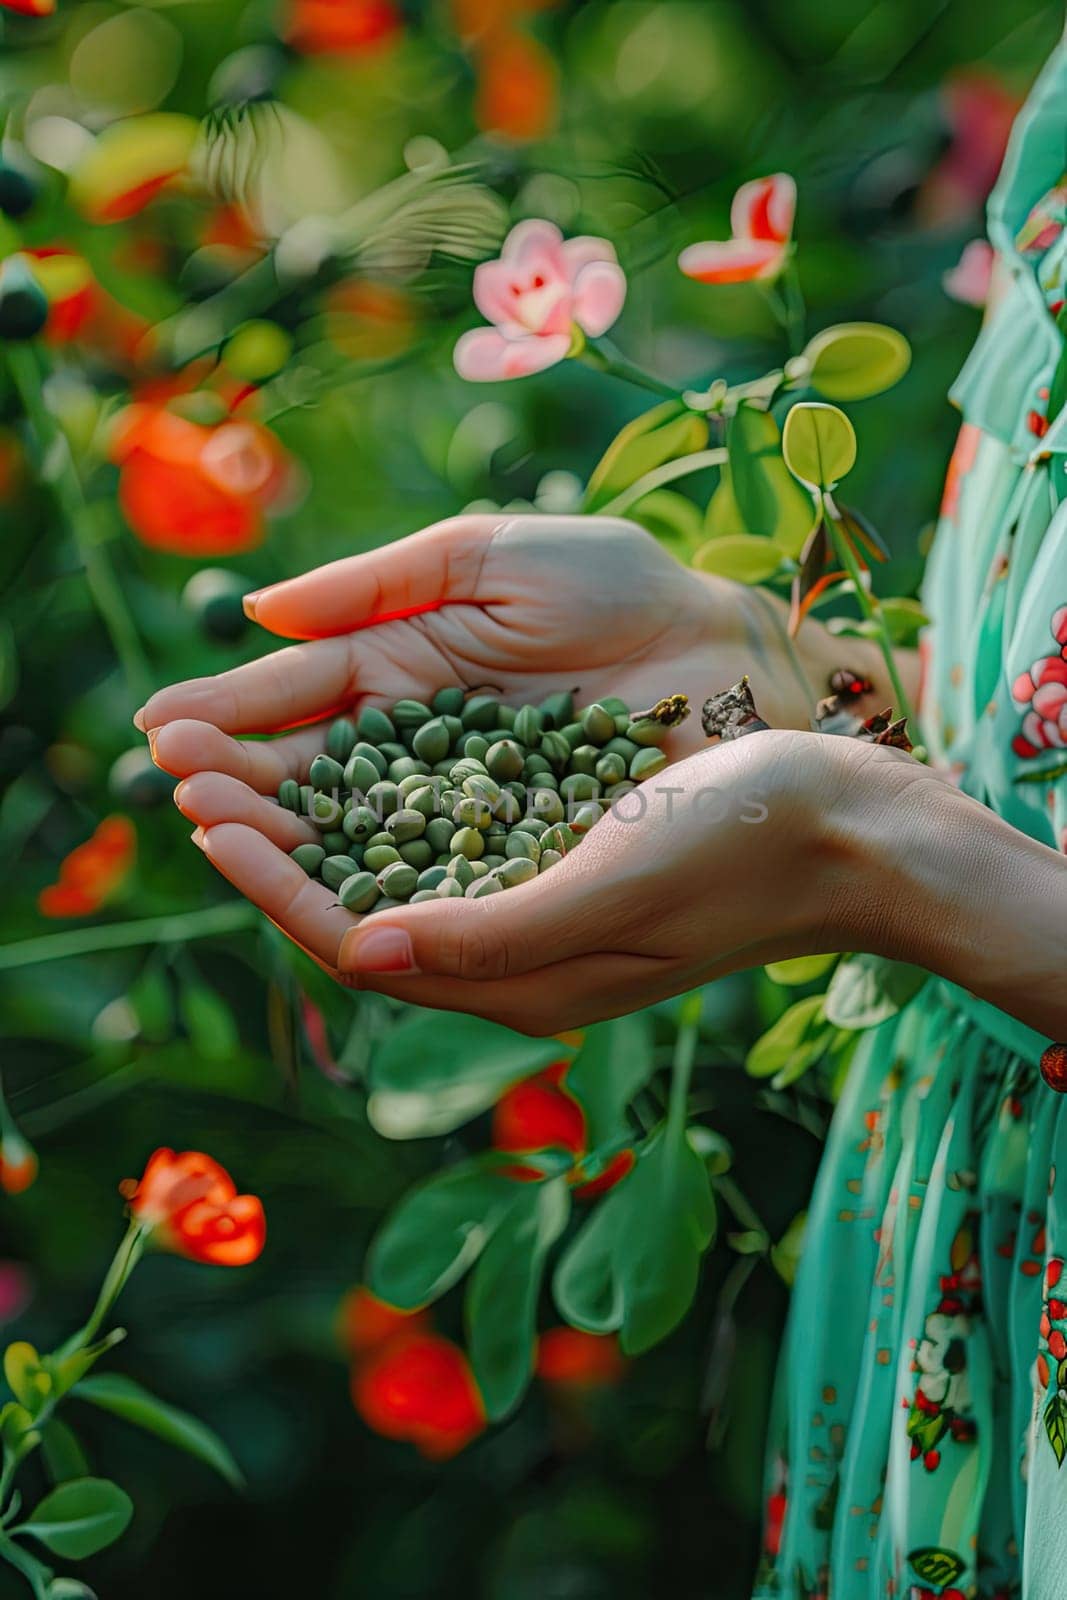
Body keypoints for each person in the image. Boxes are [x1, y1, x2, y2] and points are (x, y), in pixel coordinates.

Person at [137, 41, 1067, 1600]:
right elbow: (1022, 701)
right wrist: (778, 681)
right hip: (942, 1265)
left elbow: (939, 840)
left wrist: (886, 860)